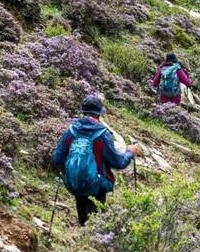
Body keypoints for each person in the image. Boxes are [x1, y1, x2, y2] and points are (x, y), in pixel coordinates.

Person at [51, 95, 140, 226]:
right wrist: (130, 152)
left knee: (83, 217)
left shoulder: (70, 131)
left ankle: (83, 231)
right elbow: (118, 162)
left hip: (75, 183)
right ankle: (91, 235)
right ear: (99, 114)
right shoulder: (102, 134)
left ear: (83, 111)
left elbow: (57, 159)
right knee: (95, 221)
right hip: (97, 185)